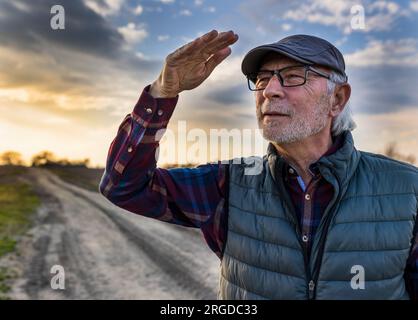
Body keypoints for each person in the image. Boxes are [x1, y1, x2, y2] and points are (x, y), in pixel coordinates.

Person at [99, 30, 418, 300]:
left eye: (294, 76)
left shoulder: (407, 188)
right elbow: (125, 187)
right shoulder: (228, 183)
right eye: (262, 78)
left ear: (337, 99)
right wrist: (163, 91)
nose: (269, 90)